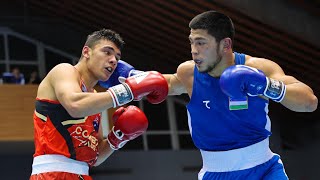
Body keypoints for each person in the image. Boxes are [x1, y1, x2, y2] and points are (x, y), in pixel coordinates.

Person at [100, 11, 318, 179]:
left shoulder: (259, 68)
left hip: (265, 170)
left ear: (225, 44)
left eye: (201, 43)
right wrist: (125, 74)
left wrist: (265, 85)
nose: (194, 50)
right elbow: (159, 83)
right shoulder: (188, 74)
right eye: (192, 42)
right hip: (216, 173)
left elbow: (309, 102)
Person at [29, 29, 169, 180]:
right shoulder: (64, 70)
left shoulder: (95, 97)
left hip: (82, 175)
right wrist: (126, 91)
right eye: (107, 52)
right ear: (86, 52)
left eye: (117, 57)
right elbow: (75, 105)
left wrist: (118, 137)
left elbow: (94, 156)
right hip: (51, 174)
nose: (114, 60)